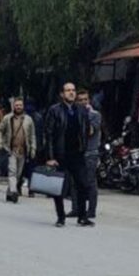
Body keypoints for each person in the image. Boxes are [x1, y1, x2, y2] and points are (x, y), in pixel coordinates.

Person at [43, 83, 93, 227]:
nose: (71, 93)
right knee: (59, 187)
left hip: (77, 154)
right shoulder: (55, 110)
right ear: (62, 94)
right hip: (61, 154)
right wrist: (50, 157)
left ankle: (82, 216)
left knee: (83, 184)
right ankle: (61, 217)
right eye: (68, 90)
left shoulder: (82, 110)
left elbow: (86, 129)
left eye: (73, 90)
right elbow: (49, 135)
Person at [0, 98, 36, 203]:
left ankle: (9, 192)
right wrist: (0, 143)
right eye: (17, 105)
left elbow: (32, 135)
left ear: (23, 106)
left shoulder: (28, 120)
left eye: (20, 105)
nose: (18, 107)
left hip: (23, 151)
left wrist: (33, 148)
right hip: (11, 150)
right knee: (12, 171)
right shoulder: (7, 118)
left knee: (18, 174)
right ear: (14, 106)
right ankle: (14, 192)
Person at [74, 89, 102, 221]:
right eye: (80, 100)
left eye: (85, 99)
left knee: (90, 182)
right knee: (75, 181)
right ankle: (76, 209)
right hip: (77, 153)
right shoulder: (73, 114)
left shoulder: (95, 115)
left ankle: (91, 210)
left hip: (91, 153)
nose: (83, 102)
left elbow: (89, 131)